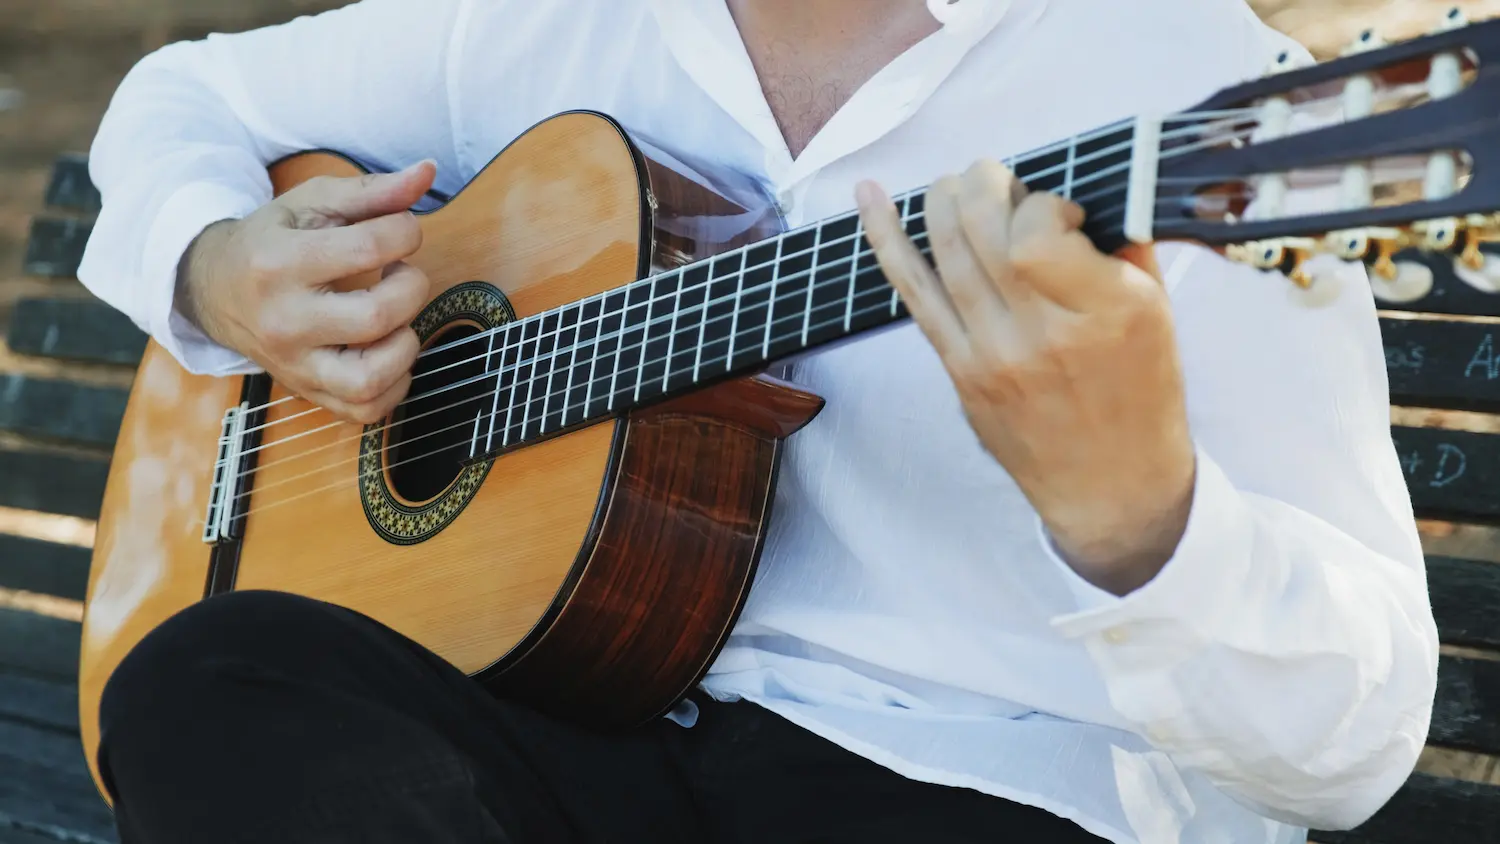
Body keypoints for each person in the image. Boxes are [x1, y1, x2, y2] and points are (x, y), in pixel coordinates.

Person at [77, 0, 1440, 842]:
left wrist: (1144, 518)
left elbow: (1358, 740)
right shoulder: (535, 20)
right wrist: (214, 268)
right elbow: (181, 95)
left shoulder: (1194, 84)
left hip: (995, 783)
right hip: (598, 738)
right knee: (210, 682)